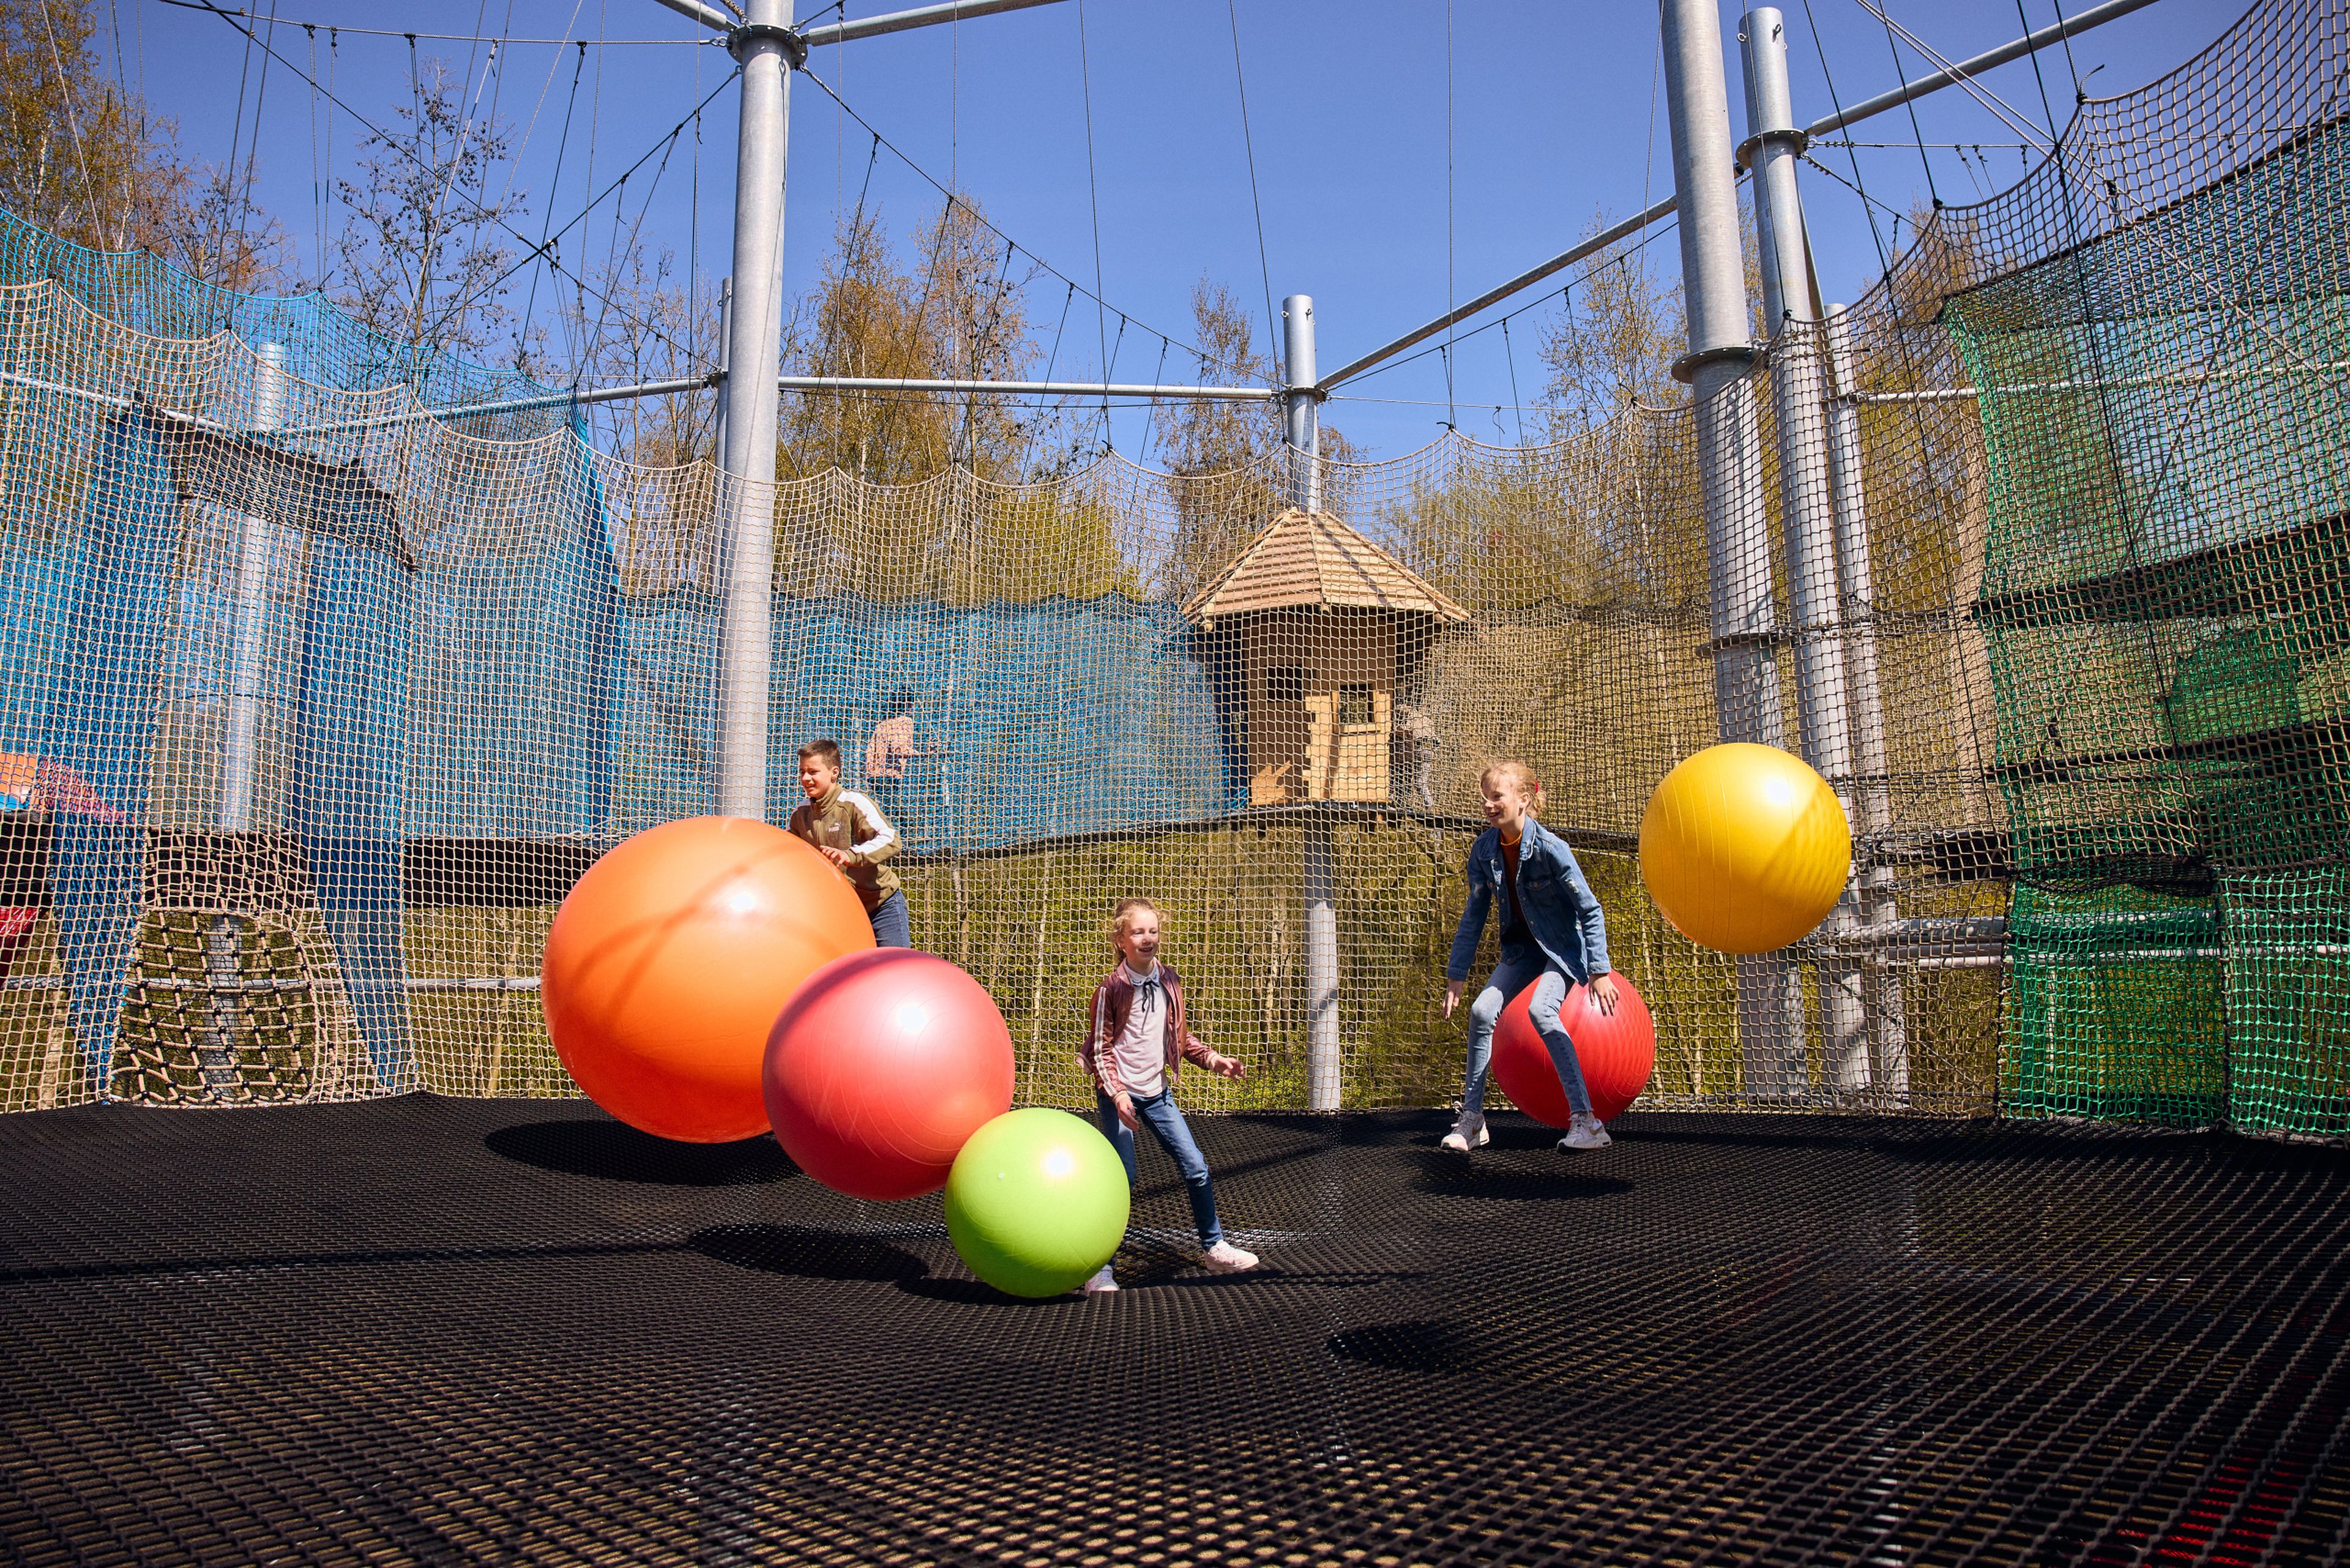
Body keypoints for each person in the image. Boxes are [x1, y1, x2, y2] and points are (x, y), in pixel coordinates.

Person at [1076, 897, 1259, 1293]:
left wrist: (1214, 1060)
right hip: (1119, 1094)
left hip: (1157, 1094)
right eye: (1138, 932)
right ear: (1121, 940)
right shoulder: (1111, 989)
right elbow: (1102, 1049)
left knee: (1195, 1165)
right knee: (1122, 1178)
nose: (1148, 938)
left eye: (1153, 931)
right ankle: (1099, 1267)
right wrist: (1118, 1093)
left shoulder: (1170, 981)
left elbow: (1181, 1038)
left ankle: (1214, 1248)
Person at [1441, 760, 1621, 1154]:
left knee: (1542, 1012)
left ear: (1523, 800)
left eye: (1498, 796)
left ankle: (1587, 1122)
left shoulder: (1552, 849)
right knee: (1482, 1012)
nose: (1489, 804)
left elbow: (1589, 909)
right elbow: (1474, 914)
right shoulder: (1485, 850)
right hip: (1521, 951)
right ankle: (1472, 1120)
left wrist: (1599, 970)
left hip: (1560, 951)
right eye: (1485, 797)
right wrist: (1458, 973)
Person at [788, 739, 911, 949]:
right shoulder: (800, 814)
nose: (805, 778)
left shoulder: (854, 803)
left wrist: (850, 855)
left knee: (894, 971)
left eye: (813, 772)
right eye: (802, 772)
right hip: (841, 913)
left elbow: (891, 839)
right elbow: (788, 855)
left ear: (834, 773)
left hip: (880, 906)